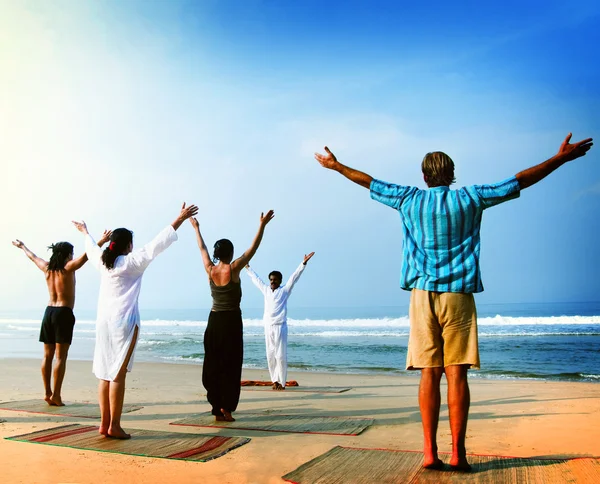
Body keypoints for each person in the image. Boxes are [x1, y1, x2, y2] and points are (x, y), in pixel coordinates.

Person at [315, 133, 593, 471]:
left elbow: (370, 182)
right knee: (457, 375)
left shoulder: (408, 199)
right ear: (452, 173)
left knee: (429, 374)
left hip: (421, 296)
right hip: (458, 295)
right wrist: (559, 159)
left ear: (424, 176)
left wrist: (337, 166)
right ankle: (458, 454)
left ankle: (430, 453)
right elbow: (519, 181)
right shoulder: (470, 198)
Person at [72, 203, 198, 439]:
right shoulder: (133, 261)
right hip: (124, 323)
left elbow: (91, 249)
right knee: (118, 374)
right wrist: (180, 217)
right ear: (128, 245)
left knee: (104, 373)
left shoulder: (103, 262)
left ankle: (104, 423)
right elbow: (158, 244)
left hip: (103, 323)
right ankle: (115, 426)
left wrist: (85, 232)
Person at [189, 210, 275, 422]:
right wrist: (262, 225)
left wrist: (196, 229)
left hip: (214, 321)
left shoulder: (210, 269)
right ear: (230, 253)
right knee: (230, 365)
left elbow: (202, 248)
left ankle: (217, 406)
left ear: (218, 254)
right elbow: (253, 248)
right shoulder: (234, 268)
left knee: (214, 364)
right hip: (231, 322)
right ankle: (226, 409)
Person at [12, 233, 111, 406]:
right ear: (67, 254)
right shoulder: (68, 267)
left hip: (49, 312)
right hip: (63, 313)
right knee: (60, 357)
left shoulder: (47, 268)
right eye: (71, 254)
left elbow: (33, 257)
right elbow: (87, 256)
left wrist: (22, 246)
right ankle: (56, 395)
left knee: (47, 355)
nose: (72, 256)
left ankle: (47, 392)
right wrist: (101, 241)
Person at [245, 252, 315, 390]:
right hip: (268, 327)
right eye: (271, 280)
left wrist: (303, 263)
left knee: (281, 356)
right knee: (271, 356)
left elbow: (294, 278)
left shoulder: (284, 291)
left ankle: (282, 383)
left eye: (275, 280)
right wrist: (247, 267)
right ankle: (274, 381)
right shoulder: (265, 290)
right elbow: (256, 279)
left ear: (280, 281)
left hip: (280, 327)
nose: (272, 282)